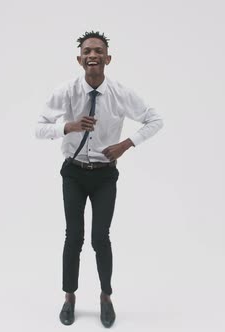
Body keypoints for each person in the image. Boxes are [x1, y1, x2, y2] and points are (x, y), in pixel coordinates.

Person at [35, 30, 163, 328]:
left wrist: (126, 144)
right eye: (87, 51)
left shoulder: (120, 93)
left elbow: (155, 119)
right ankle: (69, 298)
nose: (92, 55)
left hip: (105, 175)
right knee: (73, 237)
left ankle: (106, 297)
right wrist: (69, 126)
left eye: (98, 51)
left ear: (107, 58)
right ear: (80, 60)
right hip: (74, 172)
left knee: (100, 238)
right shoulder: (66, 91)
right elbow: (38, 127)